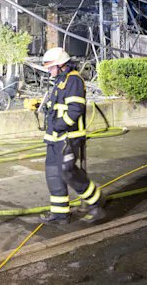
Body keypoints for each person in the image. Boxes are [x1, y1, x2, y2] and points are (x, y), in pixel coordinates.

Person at [35, 47, 105, 224]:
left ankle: (96, 201)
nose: (49, 71)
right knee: (53, 174)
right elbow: (57, 107)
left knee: (68, 172)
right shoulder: (60, 81)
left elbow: (75, 109)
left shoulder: (73, 80)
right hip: (54, 137)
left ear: (61, 65)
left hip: (68, 137)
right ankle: (60, 214)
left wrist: (59, 126)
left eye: (51, 67)